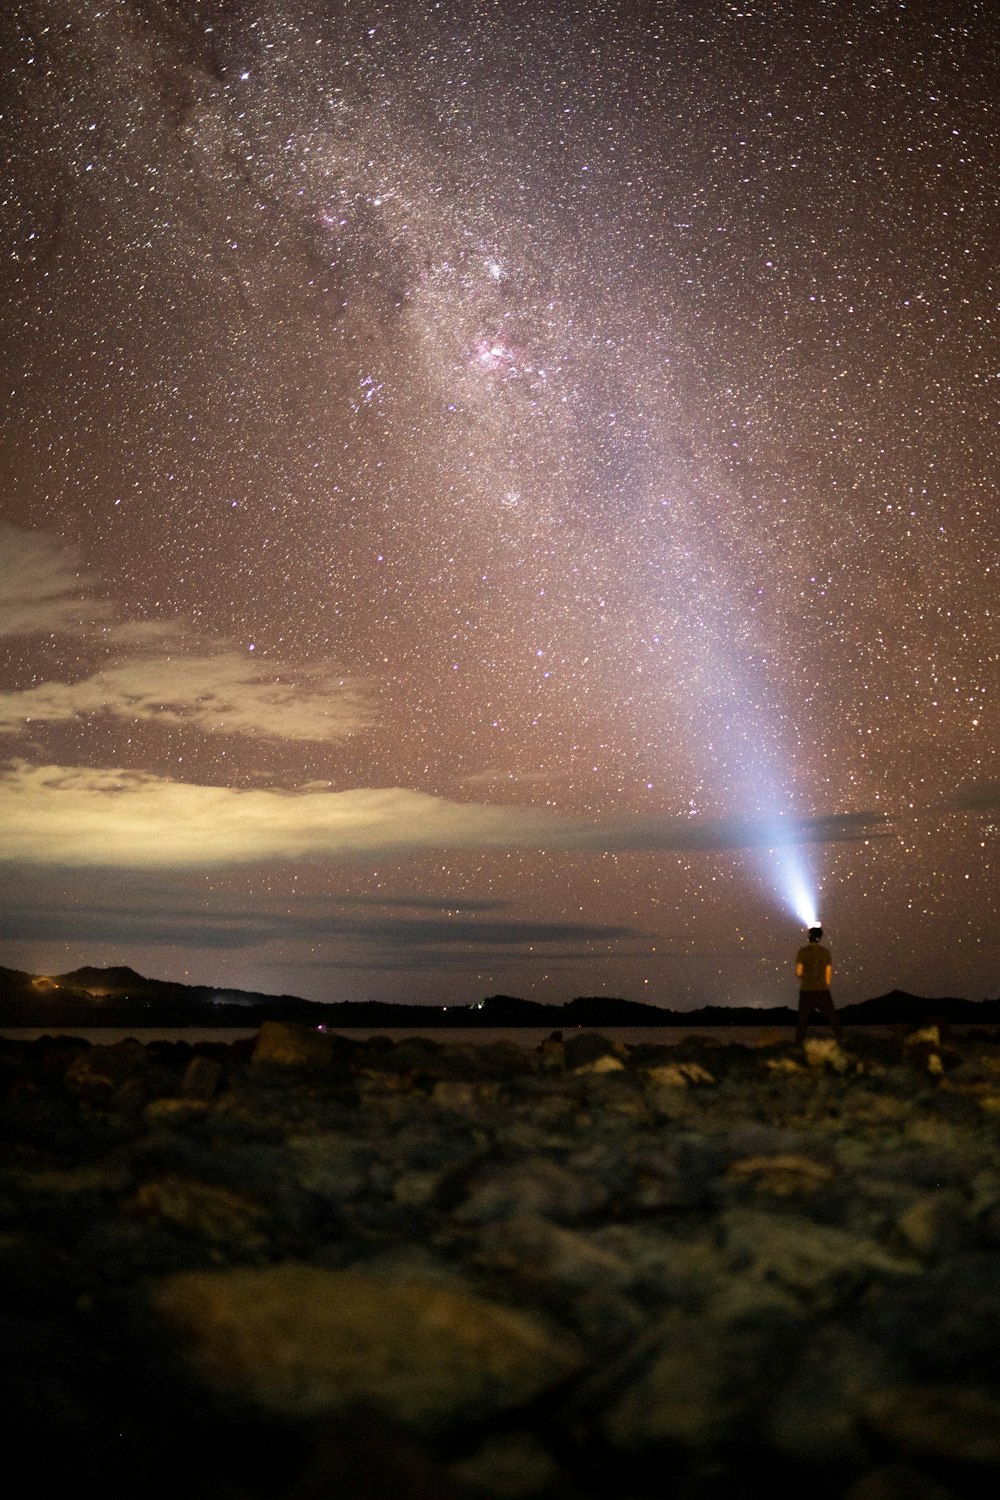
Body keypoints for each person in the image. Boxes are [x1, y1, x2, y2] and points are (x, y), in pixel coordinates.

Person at [795, 925, 843, 1044]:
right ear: (820, 937)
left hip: (806, 989)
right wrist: (825, 985)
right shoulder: (825, 952)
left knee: (802, 1020)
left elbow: (799, 972)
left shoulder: (803, 952)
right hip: (822, 990)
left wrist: (805, 976)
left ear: (809, 936)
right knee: (832, 1017)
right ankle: (842, 1041)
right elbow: (828, 972)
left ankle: (798, 1045)